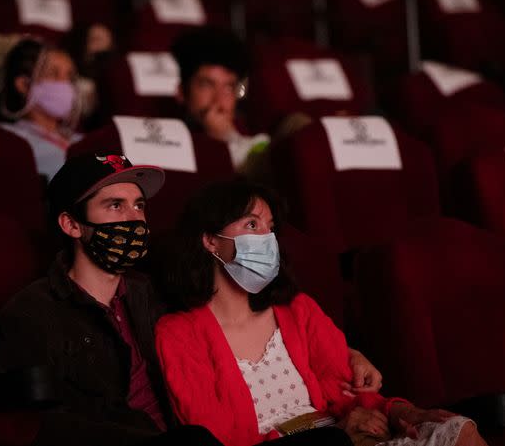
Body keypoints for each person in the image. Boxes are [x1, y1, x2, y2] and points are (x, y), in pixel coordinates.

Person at [0, 154, 382, 446]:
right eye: (115, 206)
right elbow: (32, 425)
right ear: (72, 224)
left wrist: (349, 354)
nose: (133, 219)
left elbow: (228, 326)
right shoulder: (33, 312)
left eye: (139, 205)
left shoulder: (155, 292)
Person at [155, 179, 488, 446]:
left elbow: (348, 396)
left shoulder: (298, 310)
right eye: (252, 224)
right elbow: (216, 440)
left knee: (459, 430)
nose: (267, 239)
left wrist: (403, 410)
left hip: (346, 437)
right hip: (324, 442)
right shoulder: (177, 333)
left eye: (270, 227)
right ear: (211, 241)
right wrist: (333, 435)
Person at [171, 27, 311, 180]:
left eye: (229, 87)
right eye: (207, 84)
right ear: (181, 92)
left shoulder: (250, 135)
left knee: (299, 124)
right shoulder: (174, 142)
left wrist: (229, 137)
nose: (219, 99)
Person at [0, 36, 83, 180]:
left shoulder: (84, 140)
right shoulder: (9, 140)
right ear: (24, 85)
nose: (65, 84)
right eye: (53, 74)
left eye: (69, 76)